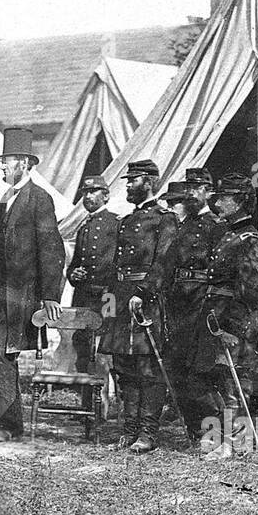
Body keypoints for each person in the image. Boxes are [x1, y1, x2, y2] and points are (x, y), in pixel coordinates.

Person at [0, 127, 66, 442]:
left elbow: (52, 249)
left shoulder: (39, 199)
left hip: (21, 297)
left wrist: (50, 296)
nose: (1, 167)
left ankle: (7, 426)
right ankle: (8, 424)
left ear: (24, 163)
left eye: (7, 161)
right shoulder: (4, 199)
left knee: (3, 355)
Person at [97, 160, 179, 453]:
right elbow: (114, 269)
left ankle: (147, 434)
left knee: (148, 369)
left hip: (147, 301)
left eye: (133, 180)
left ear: (149, 182)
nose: (128, 185)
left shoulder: (164, 219)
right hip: (120, 299)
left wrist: (144, 293)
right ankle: (127, 432)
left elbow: (164, 263)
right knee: (123, 368)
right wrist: (106, 310)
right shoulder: (126, 221)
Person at [191, 173, 258, 451]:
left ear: (241, 202)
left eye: (225, 197)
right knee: (216, 379)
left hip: (233, 320)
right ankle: (223, 439)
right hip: (215, 316)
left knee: (233, 385)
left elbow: (250, 291)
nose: (218, 201)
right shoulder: (229, 235)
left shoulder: (249, 239)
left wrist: (232, 327)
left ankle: (235, 444)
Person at [159, 170, 226, 442]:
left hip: (201, 302)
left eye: (196, 188)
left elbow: (222, 269)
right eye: (188, 188)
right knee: (177, 369)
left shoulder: (217, 225)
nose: (190, 193)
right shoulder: (182, 224)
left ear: (209, 192)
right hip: (178, 302)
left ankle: (215, 432)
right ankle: (194, 430)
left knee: (198, 371)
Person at [67, 175, 118, 373]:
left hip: (108, 296)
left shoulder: (116, 224)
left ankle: (109, 397)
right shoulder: (83, 228)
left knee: (108, 343)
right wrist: (73, 274)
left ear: (106, 196)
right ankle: (86, 396)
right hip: (83, 296)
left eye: (92, 192)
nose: (87, 197)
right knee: (81, 342)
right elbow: (74, 264)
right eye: (85, 193)